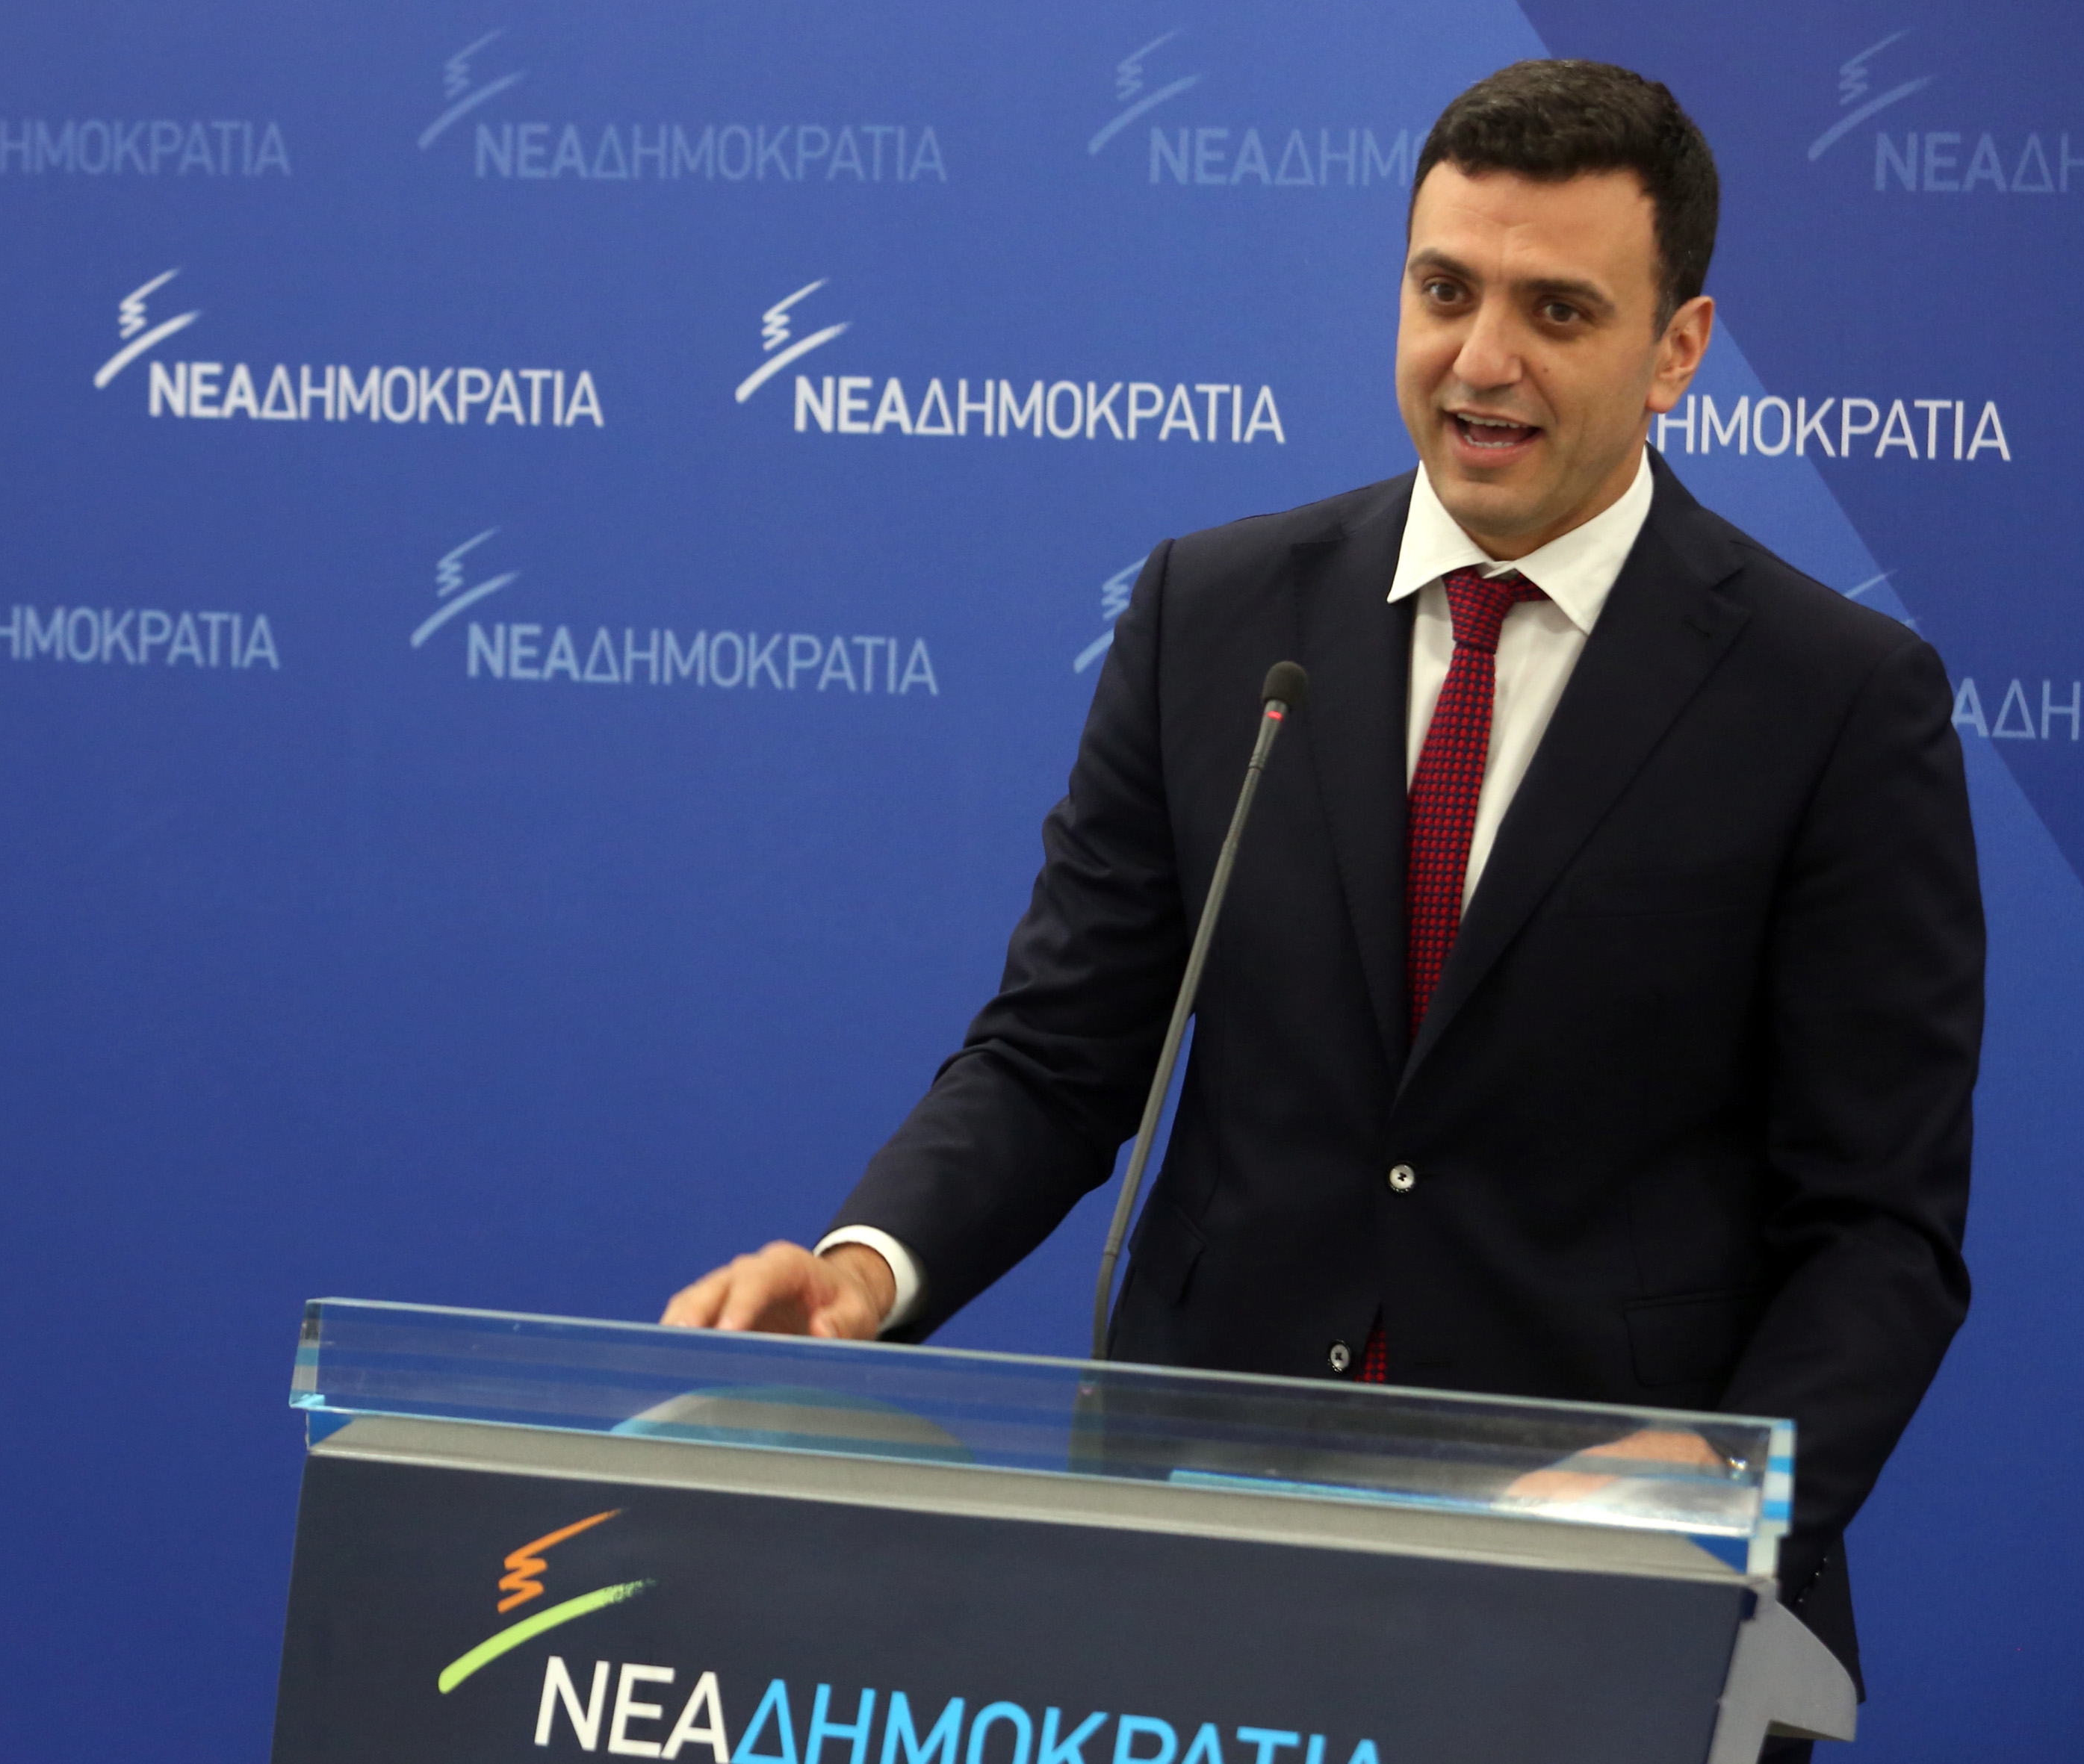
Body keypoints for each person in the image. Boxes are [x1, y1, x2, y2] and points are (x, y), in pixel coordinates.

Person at [663, 59, 1981, 1735]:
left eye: (1557, 310)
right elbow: (1059, 1054)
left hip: (1613, 1606)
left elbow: (1878, 1228)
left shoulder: (1833, 697)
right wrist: (870, 1266)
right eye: (1444, 290)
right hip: (1198, 1560)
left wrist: (1719, 1483)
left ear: (1677, 349)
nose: (1480, 360)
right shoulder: (1212, 614)